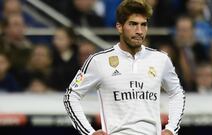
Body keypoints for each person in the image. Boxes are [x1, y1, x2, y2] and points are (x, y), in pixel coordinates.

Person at [64, 0, 185, 135]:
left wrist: (171, 129)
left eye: (143, 25)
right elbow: (71, 96)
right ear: (119, 27)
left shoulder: (161, 59)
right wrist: (89, 132)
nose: (139, 31)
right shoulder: (98, 61)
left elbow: (177, 93)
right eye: (133, 24)